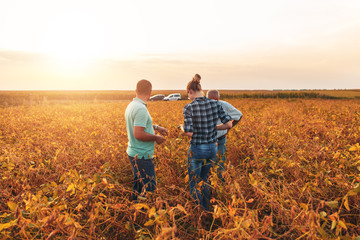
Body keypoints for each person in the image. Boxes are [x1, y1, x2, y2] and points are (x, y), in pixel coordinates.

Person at [179, 74, 232, 211]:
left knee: (195, 183)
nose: (188, 97)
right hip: (211, 149)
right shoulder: (215, 104)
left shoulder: (189, 107)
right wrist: (214, 128)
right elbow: (229, 124)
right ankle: (207, 209)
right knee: (205, 180)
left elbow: (189, 133)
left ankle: (200, 212)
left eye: (188, 94)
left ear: (190, 91)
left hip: (197, 149)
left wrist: (181, 128)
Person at [125, 79, 168, 200]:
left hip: (134, 152)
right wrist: (156, 137)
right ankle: (144, 213)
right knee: (150, 190)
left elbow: (138, 126)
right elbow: (138, 133)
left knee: (138, 186)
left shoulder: (132, 105)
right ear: (150, 92)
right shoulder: (141, 109)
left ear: (136, 90)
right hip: (142, 155)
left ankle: (134, 210)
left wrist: (156, 127)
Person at [206, 90, 242, 181]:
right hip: (209, 140)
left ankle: (219, 183)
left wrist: (229, 128)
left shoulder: (224, 105)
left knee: (219, 163)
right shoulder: (203, 107)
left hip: (219, 139)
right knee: (211, 163)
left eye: (215, 101)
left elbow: (239, 115)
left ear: (219, 98)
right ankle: (212, 183)